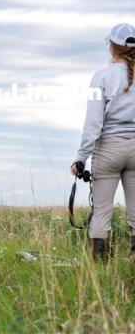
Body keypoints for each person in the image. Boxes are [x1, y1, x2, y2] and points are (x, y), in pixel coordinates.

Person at [72, 23, 135, 260]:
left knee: (101, 213)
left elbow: (93, 122)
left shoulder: (101, 77)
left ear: (113, 46)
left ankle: (101, 270)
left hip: (108, 149)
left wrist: (81, 158)